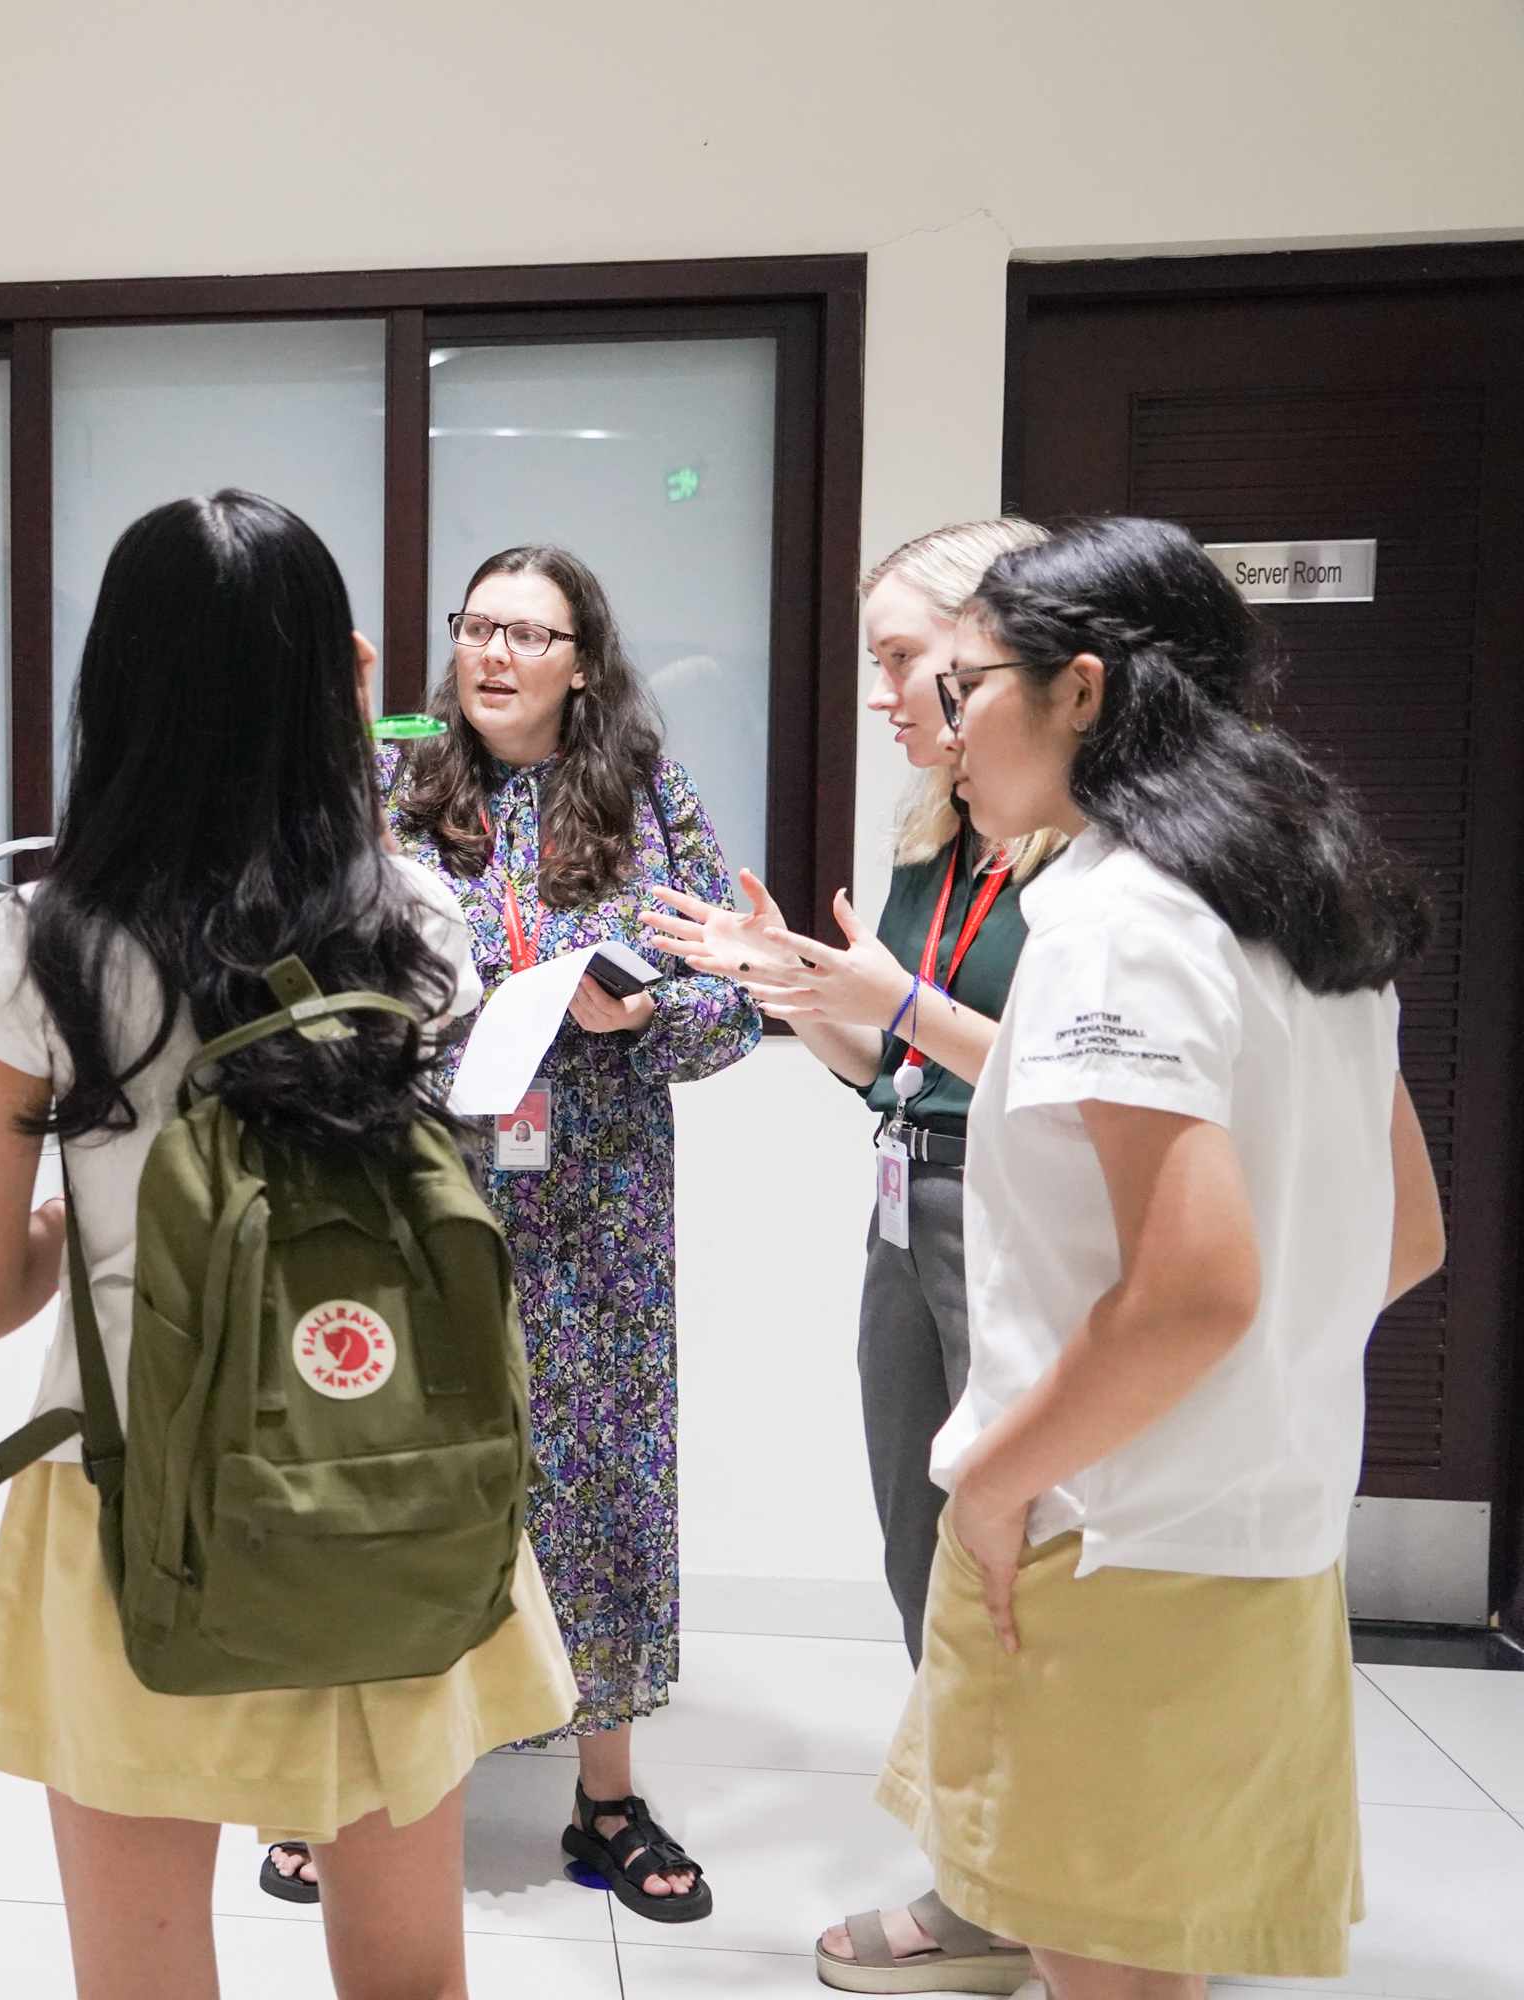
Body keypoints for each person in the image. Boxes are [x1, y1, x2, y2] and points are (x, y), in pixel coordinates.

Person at [0, 491, 580, 2000]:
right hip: (376, 1461)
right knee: (408, 1972)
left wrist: (85, 1213)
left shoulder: (43, 942)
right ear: (339, 683)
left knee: (146, 1978)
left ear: (119, 685)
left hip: (129, 1489)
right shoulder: (413, 920)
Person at [875, 517, 1444, 2000]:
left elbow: (1194, 1288)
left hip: (1104, 1543)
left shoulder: (1118, 922)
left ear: (1079, 692)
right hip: (1260, 1531)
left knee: (1110, 1976)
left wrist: (999, 1482)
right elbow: (1407, 1236)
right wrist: (1257, 1397)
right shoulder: (1302, 903)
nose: (942, 732)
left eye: (961, 687)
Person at [317, 544, 760, 1926]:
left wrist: (641, 1020)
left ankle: (606, 1799)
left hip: (595, 1208)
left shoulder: (646, 802)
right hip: (415, 1188)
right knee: (393, 1473)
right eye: (478, 627)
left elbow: (737, 995)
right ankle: (337, 1788)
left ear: (584, 661)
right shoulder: (393, 793)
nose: (494, 654)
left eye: (529, 632)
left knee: (599, 1477)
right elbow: (308, 948)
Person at [646, 520, 1058, 1992]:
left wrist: (893, 1007)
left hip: (1029, 1223)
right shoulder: (933, 835)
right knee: (927, 1556)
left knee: (1031, 1570)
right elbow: (886, 1057)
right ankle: (990, 1877)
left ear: (1000, 647)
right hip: (911, 1201)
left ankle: (1043, 1895)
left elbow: (1085, 1082)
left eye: (901, 660)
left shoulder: (1098, 859)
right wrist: (793, 988)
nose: (881, 696)